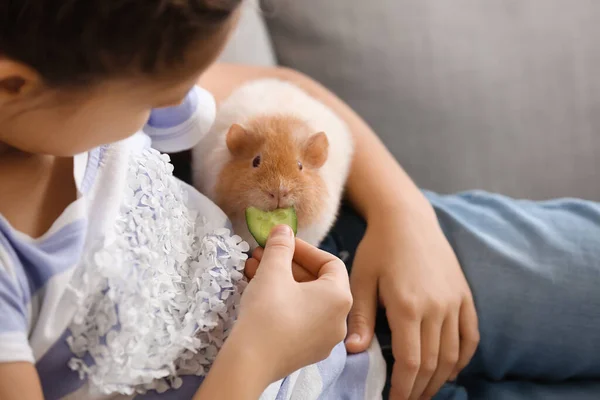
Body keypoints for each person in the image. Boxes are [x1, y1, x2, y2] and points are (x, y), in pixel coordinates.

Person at [0, 0, 477, 399]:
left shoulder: (102, 66)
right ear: (12, 86)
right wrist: (259, 354)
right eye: (152, 99)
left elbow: (288, 92)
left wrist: (404, 216)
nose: (177, 107)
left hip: (369, 262)